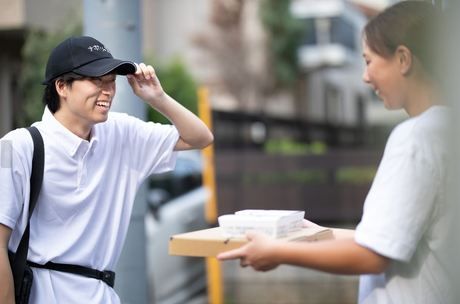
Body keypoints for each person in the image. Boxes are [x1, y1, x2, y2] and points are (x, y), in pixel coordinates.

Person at [218, 2, 454, 303]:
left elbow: (373, 255)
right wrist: (322, 233)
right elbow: (397, 238)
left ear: (404, 59)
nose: (366, 77)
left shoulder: (416, 137)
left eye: (369, 61)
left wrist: (277, 251)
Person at [0, 35, 213, 303]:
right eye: (96, 80)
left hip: (103, 295)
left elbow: (201, 138)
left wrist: (158, 98)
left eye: (111, 81)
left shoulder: (121, 133)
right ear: (62, 86)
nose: (108, 90)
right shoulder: (16, 147)